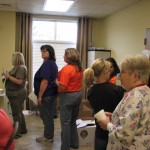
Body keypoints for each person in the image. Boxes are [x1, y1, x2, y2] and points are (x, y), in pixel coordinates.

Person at [98, 55, 150, 150]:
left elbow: (124, 136)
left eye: (122, 73)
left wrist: (108, 125)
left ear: (135, 76)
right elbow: (138, 121)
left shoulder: (134, 97)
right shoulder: (146, 91)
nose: (119, 77)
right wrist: (115, 116)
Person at [83, 58, 125, 150]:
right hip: (115, 130)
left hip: (100, 131)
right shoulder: (118, 90)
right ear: (105, 72)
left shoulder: (90, 91)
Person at [55, 48, 83, 150]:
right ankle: (74, 144)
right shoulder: (79, 68)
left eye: (64, 55)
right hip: (78, 95)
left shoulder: (68, 69)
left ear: (69, 57)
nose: (63, 56)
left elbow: (62, 86)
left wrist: (55, 82)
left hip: (68, 97)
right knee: (72, 121)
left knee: (65, 123)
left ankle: (65, 147)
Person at [34, 45, 58, 142]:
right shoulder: (51, 63)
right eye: (41, 51)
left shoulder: (48, 63)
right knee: (48, 115)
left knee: (46, 116)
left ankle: (48, 136)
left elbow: (45, 81)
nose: (42, 53)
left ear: (50, 52)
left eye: (44, 51)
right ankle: (49, 135)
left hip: (47, 95)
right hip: (50, 94)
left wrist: (39, 96)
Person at [4, 52, 27, 139]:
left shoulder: (21, 68)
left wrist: (8, 76)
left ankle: (17, 133)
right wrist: (7, 76)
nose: (11, 60)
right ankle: (23, 129)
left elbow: (19, 81)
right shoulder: (17, 67)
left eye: (12, 58)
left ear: (16, 59)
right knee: (19, 112)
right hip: (15, 93)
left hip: (17, 94)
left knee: (16, 114)